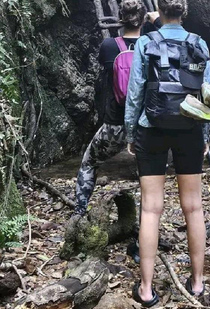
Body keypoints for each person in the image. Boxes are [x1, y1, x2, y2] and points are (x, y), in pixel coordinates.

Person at [125, 0, 210, 306]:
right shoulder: (199, 43)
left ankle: (147, 290)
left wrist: (131, 132)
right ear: (184, 11)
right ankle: (198, 284)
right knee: (193, 207)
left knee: (150, 209)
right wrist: (205, 136)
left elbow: (135, 91)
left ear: (159, 11)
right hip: (189, 127)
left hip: (152, 125)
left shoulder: (146, 42)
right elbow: (207, 93)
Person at [74, 0, 147, 216]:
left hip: (116, 123)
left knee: (89, 163)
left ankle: (79, 211)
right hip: (145, 123)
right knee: (149, 173)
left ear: (120, 19)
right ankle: (147, 220)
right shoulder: (151, 44)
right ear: (143, 19)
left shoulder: (109, 47)